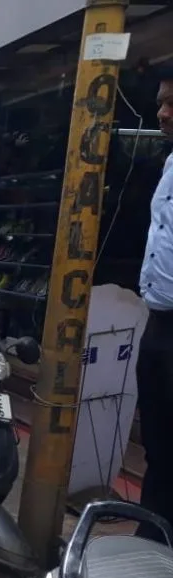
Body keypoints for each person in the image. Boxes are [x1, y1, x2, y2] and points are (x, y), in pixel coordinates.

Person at [135, 64, 173, 539]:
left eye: (171, 105)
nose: (162, 114)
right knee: (159, 444)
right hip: (159, 323)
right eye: (161, 103)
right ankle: (152, 538)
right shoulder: (168, 163)